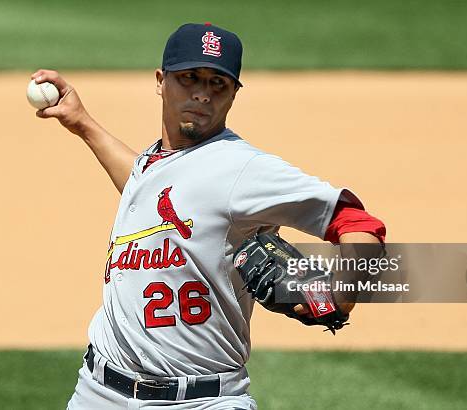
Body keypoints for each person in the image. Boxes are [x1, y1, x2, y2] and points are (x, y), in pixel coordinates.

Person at [32, 22, 385, 410]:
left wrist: (344, 294)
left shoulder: (243, 169)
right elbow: (144, 185)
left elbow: (358, 223)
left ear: (233, 94)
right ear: (160, 81)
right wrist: (82, 123)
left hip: (202, 401)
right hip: (97, 392)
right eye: (189, 78)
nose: (202, 93)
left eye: (218, 83)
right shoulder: (156, 164)